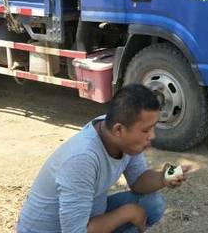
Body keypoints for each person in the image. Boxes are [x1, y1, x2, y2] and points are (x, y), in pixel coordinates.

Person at [17, 84, 190, 233]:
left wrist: (163, 177)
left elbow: (138, 180)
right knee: (134, 211)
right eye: (146, 130)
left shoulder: (115, 133)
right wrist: (126, 212)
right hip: (52, 229)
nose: (152, 136)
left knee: (152, 204)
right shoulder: (82, 159)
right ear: (118, 130)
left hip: (88, 218)